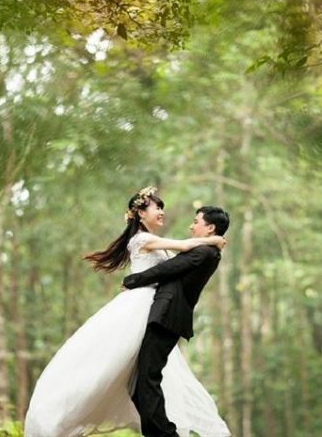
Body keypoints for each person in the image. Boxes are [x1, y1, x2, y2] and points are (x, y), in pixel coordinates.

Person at [24, 187, 231, 437]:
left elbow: (177, 262)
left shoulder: (166, 246)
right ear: (141, 214)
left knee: (143, 377)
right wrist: (213, 239)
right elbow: (184, 247)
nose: (162, 212)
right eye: (157, 207)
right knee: (121, 372)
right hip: (140, 308)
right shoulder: (142, 240)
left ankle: (160, 429)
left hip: (153, 309)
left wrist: (210, 243)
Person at [123, 205, 230, 437]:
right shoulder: (207, 250)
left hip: (167, 316)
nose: (191, 226)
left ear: (210, 228)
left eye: (196, 221)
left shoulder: (205, 253)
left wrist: (132, 280)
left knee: (147, 381)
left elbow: (167, 269)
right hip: (163, 315)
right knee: (142, 383)